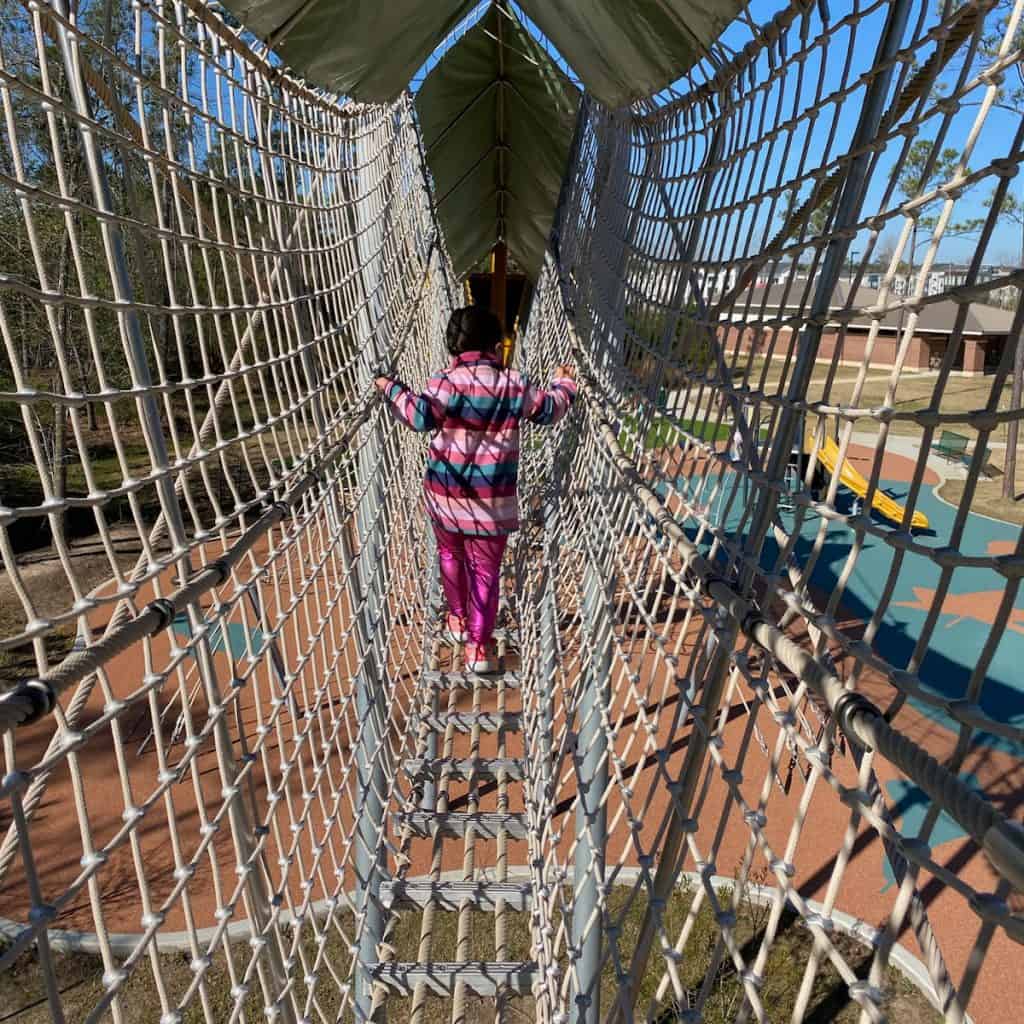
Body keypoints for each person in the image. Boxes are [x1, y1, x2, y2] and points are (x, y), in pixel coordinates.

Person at [375, 306, 577, 673]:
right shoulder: (514, 383)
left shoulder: (444, 382)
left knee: (450, 558)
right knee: (486, 573)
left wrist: (390, 386)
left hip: (445, 498)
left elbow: (418, 416)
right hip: (491, 506)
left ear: (455, 346)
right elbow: (549, 410)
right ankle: (478, 649)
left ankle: (456, 619)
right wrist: (565, 384)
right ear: (496, 344)